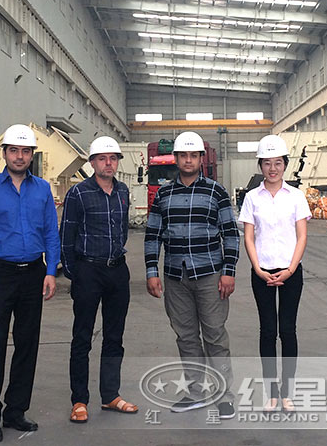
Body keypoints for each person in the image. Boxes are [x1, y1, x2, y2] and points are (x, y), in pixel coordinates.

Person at [0, 124, 60, 443]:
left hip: (33, 273)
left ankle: (16, 410)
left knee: (27, 343)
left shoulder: (42, 190)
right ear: (5, 153)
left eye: (25, 151)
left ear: (32, 155)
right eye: (14, 151)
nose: (19, 156)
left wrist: (51, 271)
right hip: (0, 274)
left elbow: (51, 232)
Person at [144, 131, 240, 419]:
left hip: (210, 275)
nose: (188, 160)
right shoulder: (164, 194)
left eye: (193, 155)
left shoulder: (216, 192)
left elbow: (230, 234)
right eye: (183, 155)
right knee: (186, 337)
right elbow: (153, 235)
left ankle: (224, 395)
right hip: (176, 276)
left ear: (201, 159)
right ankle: (195, 392)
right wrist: (151, 271)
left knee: (215, 336)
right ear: (176, 159)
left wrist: (229, 272)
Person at [60, 136, 138, 424]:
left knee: (114, 337)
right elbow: (66, 237)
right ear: (92, 163)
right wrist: (76, 273)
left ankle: (110, 395)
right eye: (103, 158)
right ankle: (79, 400)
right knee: (82, 337)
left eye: (113, 158)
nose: (108, 163)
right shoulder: (78, 193)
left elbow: (122, 230)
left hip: (117, 270)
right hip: (88, 271)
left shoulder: (123, 191)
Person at [238, 134, 311, 413]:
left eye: (278, 163)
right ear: (260, 165)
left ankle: (287, 393)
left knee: (288, 331)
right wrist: (257, 268)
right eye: (267, 163)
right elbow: (249, 236)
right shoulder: (252, 198)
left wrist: (291, 269)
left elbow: (302, 236)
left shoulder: (296, 196)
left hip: (291, 272)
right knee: (268, 331)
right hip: (262, 272)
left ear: (285, 165)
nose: (272, 168)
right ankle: (271, 393)